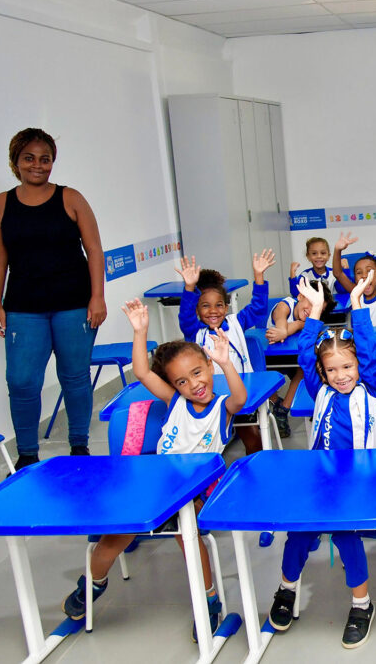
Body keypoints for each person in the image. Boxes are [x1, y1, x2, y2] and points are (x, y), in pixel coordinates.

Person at [62, 298, 245, 641]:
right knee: (111, 540)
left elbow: (240, 398)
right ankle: (93, 585)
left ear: (209, 365)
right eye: (181, 381)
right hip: (155, 484)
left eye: (198, 373)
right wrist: (140, 330)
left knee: (189, 538)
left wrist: (225, 364)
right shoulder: (175, 402)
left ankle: (209, 600)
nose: (193, 385)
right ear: (174, 387)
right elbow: (143, 371)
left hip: (194, 489)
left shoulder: (222, 408)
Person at [266, 274, 376, 649]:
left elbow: (368, 351)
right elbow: (306, 353)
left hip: (363, 481)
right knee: (299, 532)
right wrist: (316, 313)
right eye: (332, 370)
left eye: (347, 368)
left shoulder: (370, 388)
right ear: (321, 373)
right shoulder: (319, 390)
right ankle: (287, 589)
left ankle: (362, 604)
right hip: (322, 482)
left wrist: (358, 306)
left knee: (345, 535)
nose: (341, 376)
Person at [0, 128, 106, 469]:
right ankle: (27, 454)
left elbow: (94, 250)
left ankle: (79, 447)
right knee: (22, 381)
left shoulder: (71, 198)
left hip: (74, 304)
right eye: (29, 158)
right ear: (16, 162)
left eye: (45, 159)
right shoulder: (1, 204)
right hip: (24, 307)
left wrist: (97, 297)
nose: (38, 165)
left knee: (74, 376)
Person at [176, 251, 275, 454]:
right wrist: (188, 288)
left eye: (219, 305)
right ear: (197, 310)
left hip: (239, 392)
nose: (213, 311)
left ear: (226, 307)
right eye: (205, 306)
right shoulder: (194, 330)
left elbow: (258, 308)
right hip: (207, 396)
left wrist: (259, 276)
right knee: (205, 442)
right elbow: (185, 315)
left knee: (254, 441)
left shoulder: (236, 322)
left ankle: (255, 472)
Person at [265, 293, 314, 438]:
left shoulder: (307, 318)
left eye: (316, 307)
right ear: (300, 296)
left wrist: (297, 324)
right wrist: (283, 330)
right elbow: (281, 324)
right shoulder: (284, 305)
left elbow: (284, 332)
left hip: (293, 358)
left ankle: (283, 409)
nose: (311, 310)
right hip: (269, 359)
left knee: (306, 368)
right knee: (259, 371)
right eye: (309, 303)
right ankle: (275, 402)